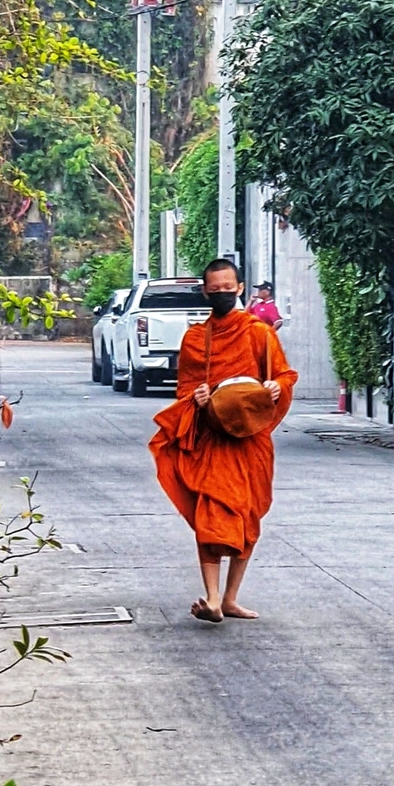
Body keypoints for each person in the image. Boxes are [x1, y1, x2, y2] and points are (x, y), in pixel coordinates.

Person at [149, 259, 298, 623]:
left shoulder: (259, 333)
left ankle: (230, 598)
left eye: (228, 289)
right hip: (213, 439)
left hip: (250, 439)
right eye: (214, 290)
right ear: (205, 292)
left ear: (240, 288)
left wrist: (276, 387)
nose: (222, 294)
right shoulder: (195, 339)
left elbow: (283, 375)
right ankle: (213, 598)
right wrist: (197, 398)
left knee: (249, 516)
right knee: (211, 514)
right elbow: (185, 391)